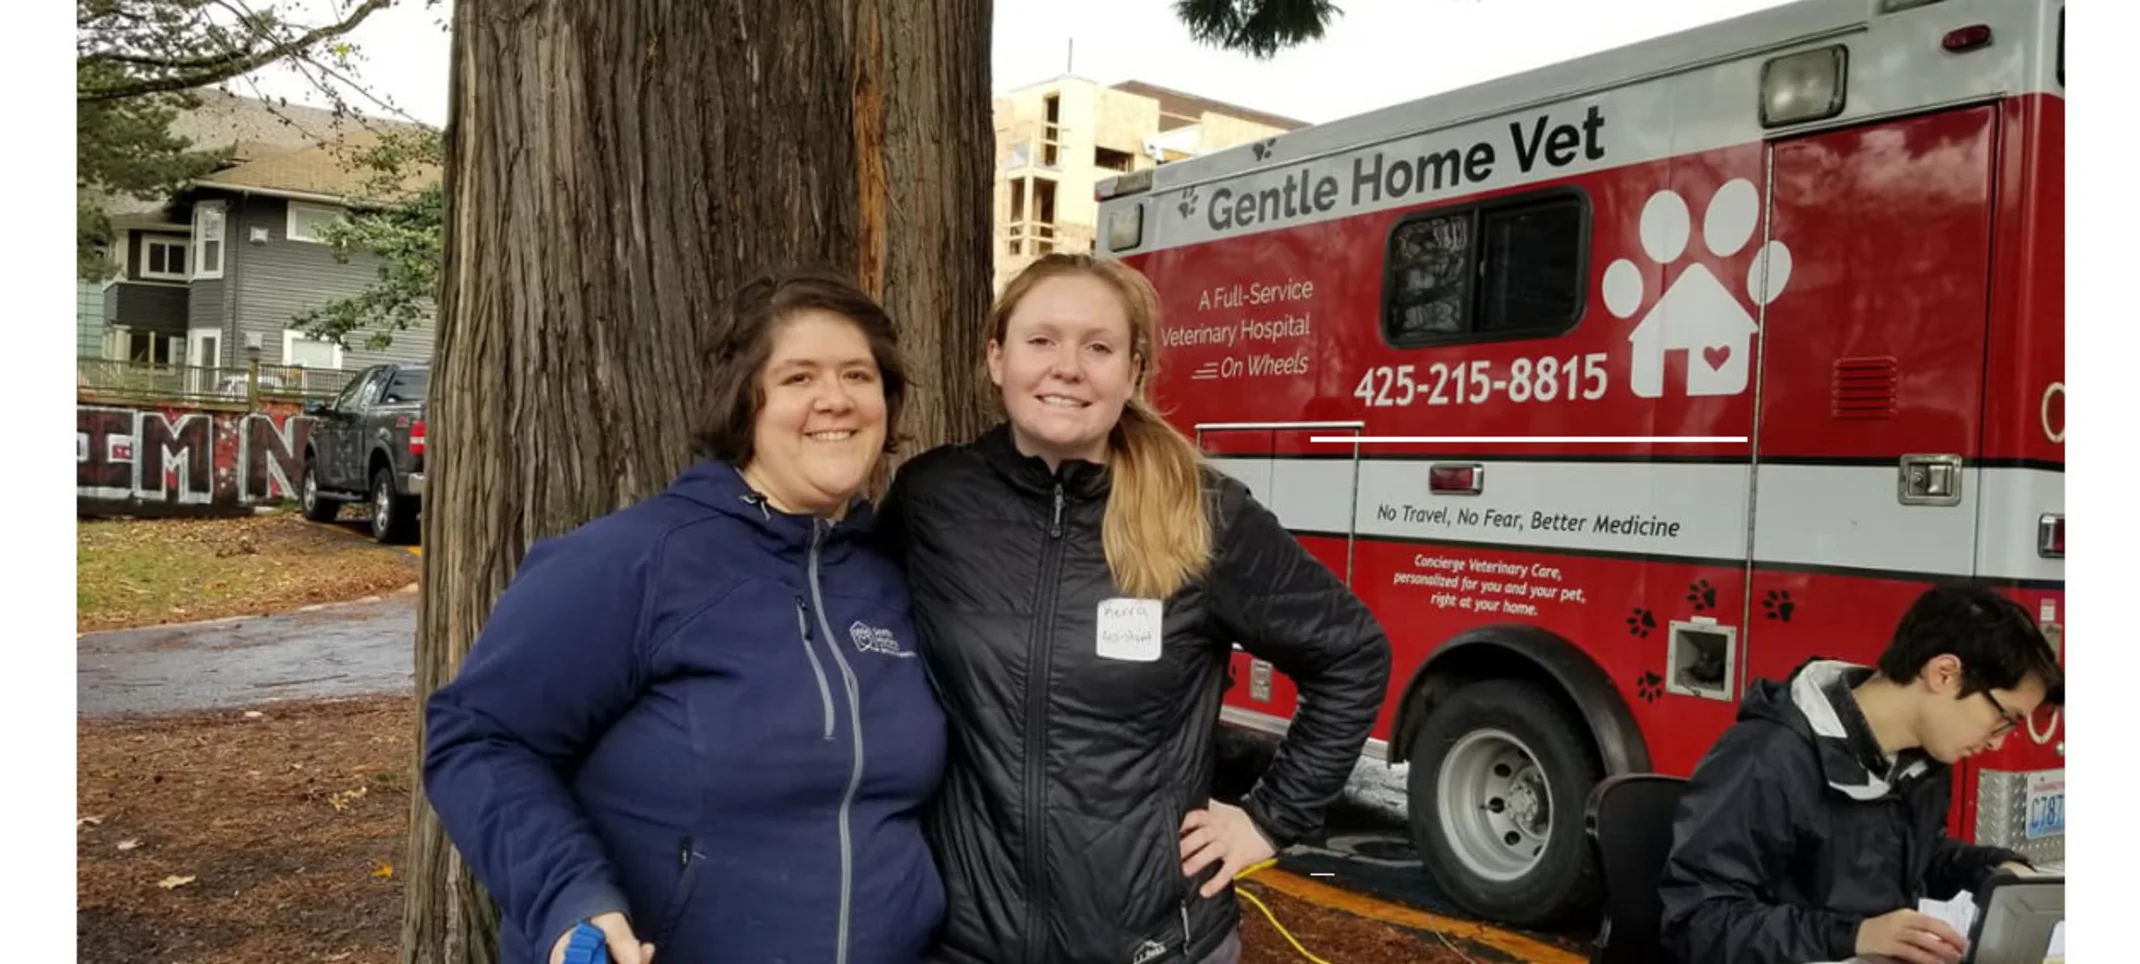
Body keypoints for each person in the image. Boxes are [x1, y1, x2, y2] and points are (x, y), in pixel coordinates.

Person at [877, 252, 1394, 964]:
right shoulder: (933, 500)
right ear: (996, 358)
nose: (1068, 366)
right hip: (964, 942)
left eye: (1098, 347)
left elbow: (1353, 653)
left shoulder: (1204, 513)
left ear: (1132, 372)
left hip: (1155, 943)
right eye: (1041, 340)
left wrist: (1270, 820)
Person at [421, 269, 946, 964]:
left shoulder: (893, 576)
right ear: (745, 402)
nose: (835, 400)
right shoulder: (637, 560)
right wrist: (570, 899)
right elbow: (480, 737)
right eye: (798, 378)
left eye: (858, 374)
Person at [1656, 584, 2064, 964]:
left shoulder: (1919, 761)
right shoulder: (1767, 757)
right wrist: (1853, 936)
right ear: (1944, 674)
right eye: (2004, 719)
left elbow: (1905, 857)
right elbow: (1698, 922)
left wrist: (1993, 871)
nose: (1997, 743)